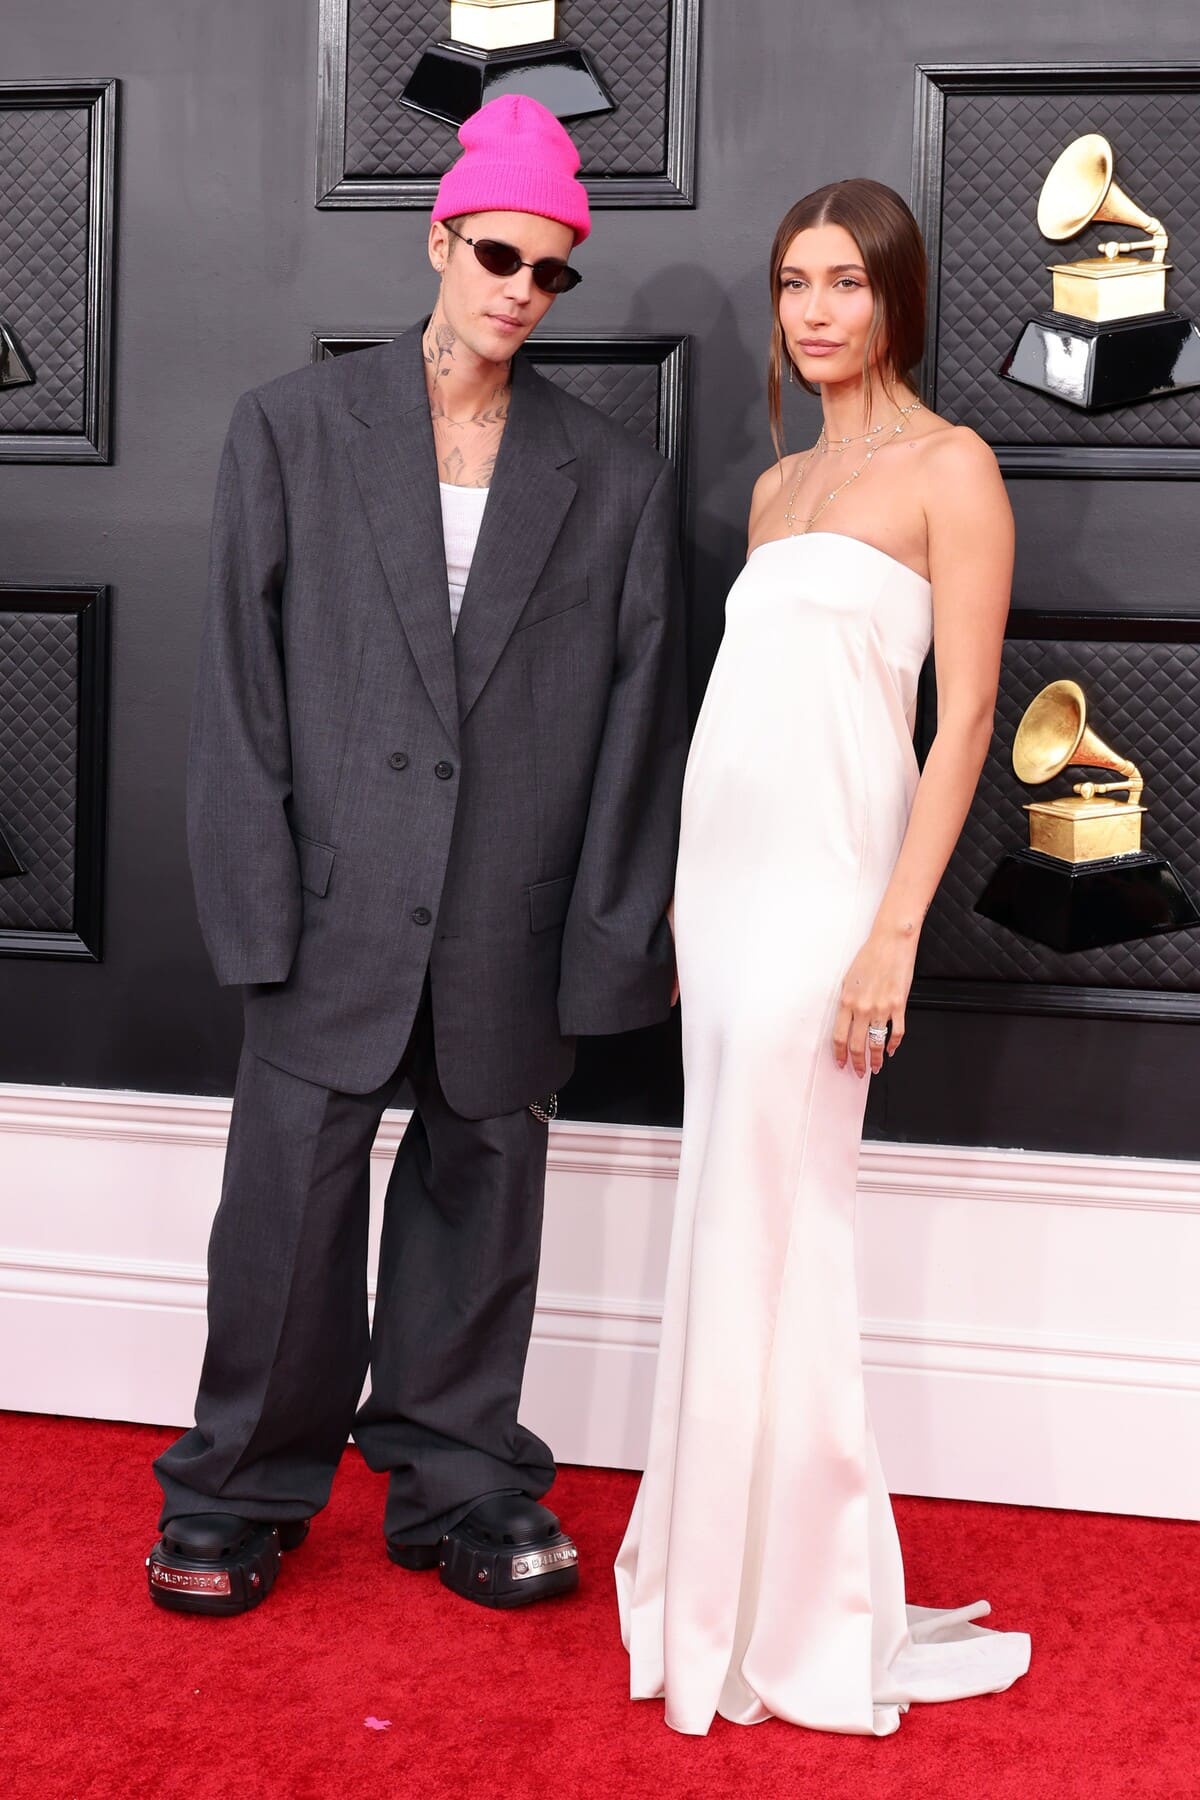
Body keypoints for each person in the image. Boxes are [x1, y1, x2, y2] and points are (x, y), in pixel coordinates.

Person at [147, 94, 686, 1616]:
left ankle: (459, 1478)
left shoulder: (614, 478)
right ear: (439, 240)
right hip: (328, 906)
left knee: (483, 1201)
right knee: (287, 1217)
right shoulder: (292, 430)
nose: (523, 288)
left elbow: (640, 732)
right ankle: (239, 1488)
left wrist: (604, 945)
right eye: (501, 254)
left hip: (508, 914)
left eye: (554, 270)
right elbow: (240, 693)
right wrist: (253, 908)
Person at [616, 179, 1030, 1734]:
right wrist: (675, 897)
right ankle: (734, 1569)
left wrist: (894, 933)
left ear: (897, 298)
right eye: (794, 280)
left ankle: (795, 1600)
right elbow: (742, 711)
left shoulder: (955, 467)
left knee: (790, 1223)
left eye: (846, 282)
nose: (813, 310)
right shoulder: (778, 489)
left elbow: (966, 717)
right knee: (725, 1213)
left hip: (839, 896)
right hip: (722, 892)